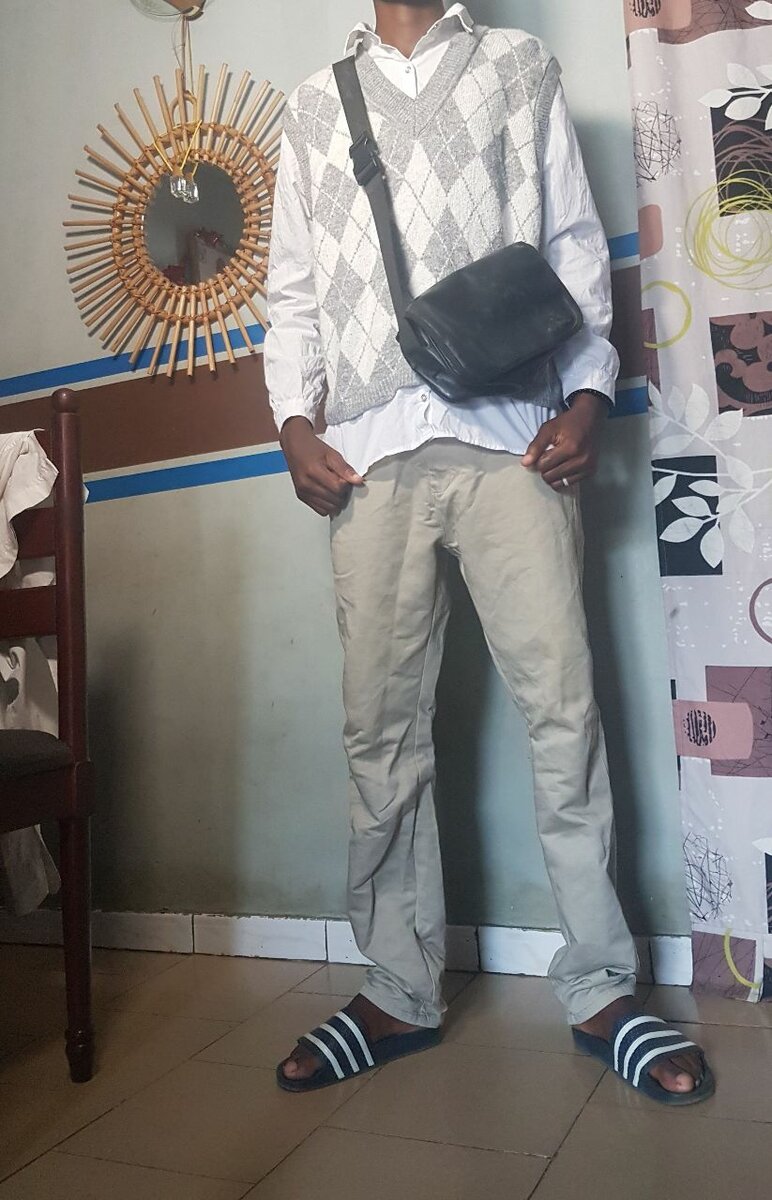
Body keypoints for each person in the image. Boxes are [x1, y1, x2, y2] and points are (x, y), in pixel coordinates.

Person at [264, 1, 713, 1104]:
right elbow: (294, 293)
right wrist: (292, 424)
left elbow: (573, 248)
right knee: (379, 730)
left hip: (515, 439)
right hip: (366, 457)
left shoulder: (519, 66)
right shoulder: (313, 106)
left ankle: (601, 986)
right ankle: (397, 986)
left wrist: (591, 394)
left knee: (563, 712)